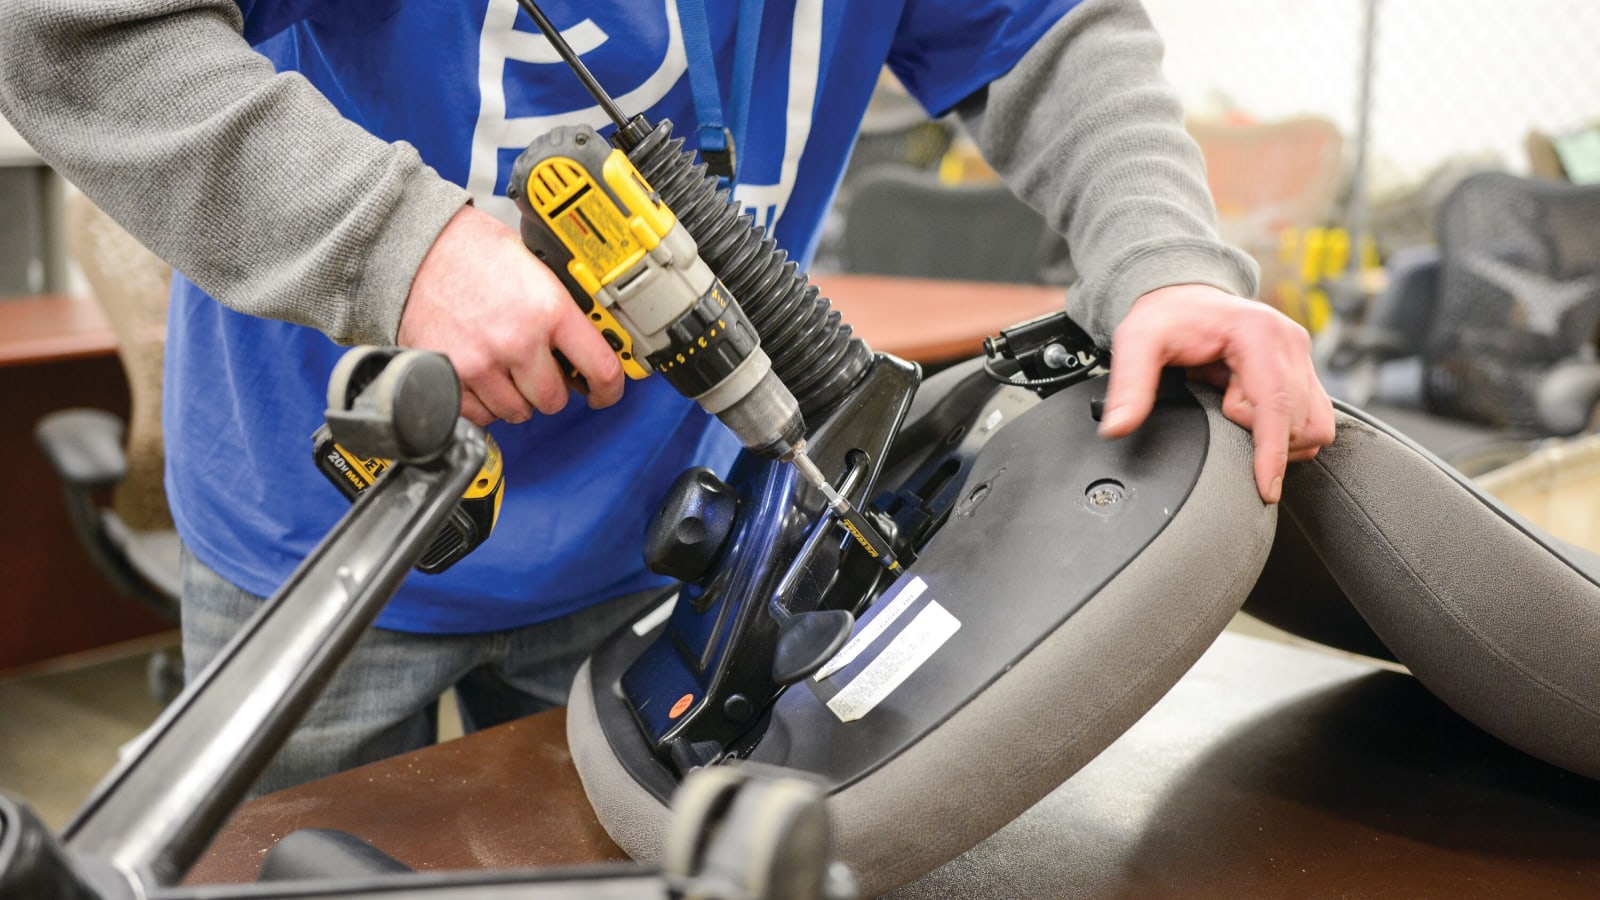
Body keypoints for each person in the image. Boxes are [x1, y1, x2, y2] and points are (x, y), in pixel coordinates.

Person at [0, 0, 1334, 794]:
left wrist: (1161, 258)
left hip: (658, 555)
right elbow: (73, 35)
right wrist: (393, 244)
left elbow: (1050, 33)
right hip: (317, 540)